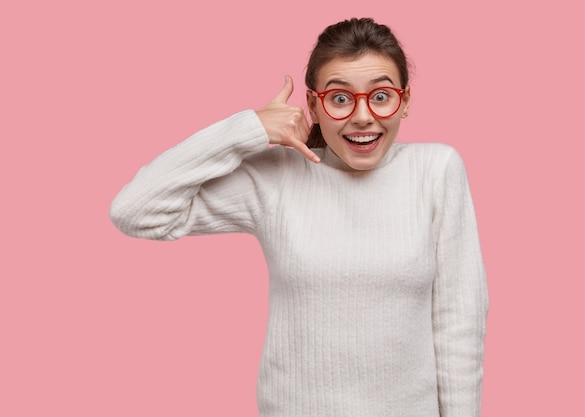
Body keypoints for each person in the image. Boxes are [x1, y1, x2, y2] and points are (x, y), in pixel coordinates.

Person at [110, 17, 488, 417]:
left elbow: (459, 323)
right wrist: (247, 128)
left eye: (380, 95)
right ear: (313, 105)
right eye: (340, 98)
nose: (362, 116)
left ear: (405, 100)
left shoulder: (436, 170)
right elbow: (135, 211)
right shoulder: (279, 176)